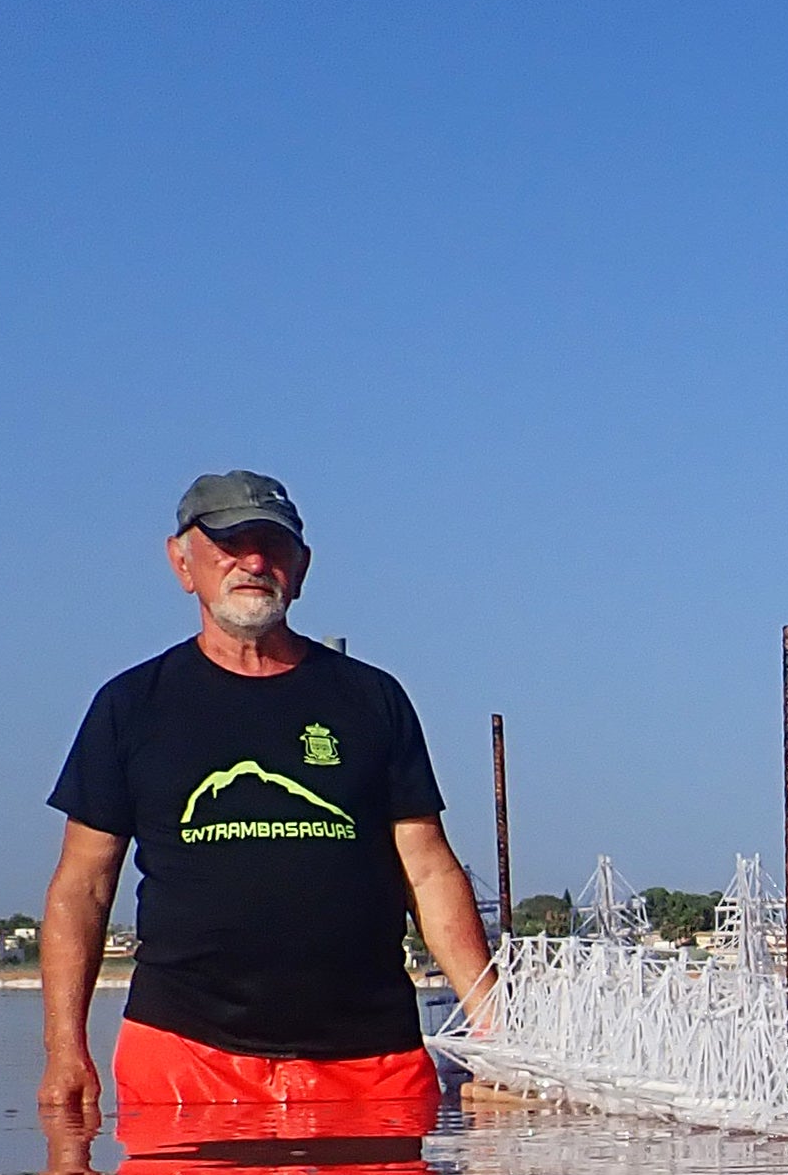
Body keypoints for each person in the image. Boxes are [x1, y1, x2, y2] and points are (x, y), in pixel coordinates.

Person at [38, 472, 493, 1128]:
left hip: (372, 1061)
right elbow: (81, 887)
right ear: (181, 562)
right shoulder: (130, 706)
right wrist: (65, 1050)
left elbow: (428, 868)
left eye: (273, 546)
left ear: (301, 568)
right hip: (184, 1057)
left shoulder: (373, 699)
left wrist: (491, 1019)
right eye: (230, 543)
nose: (253, 562)